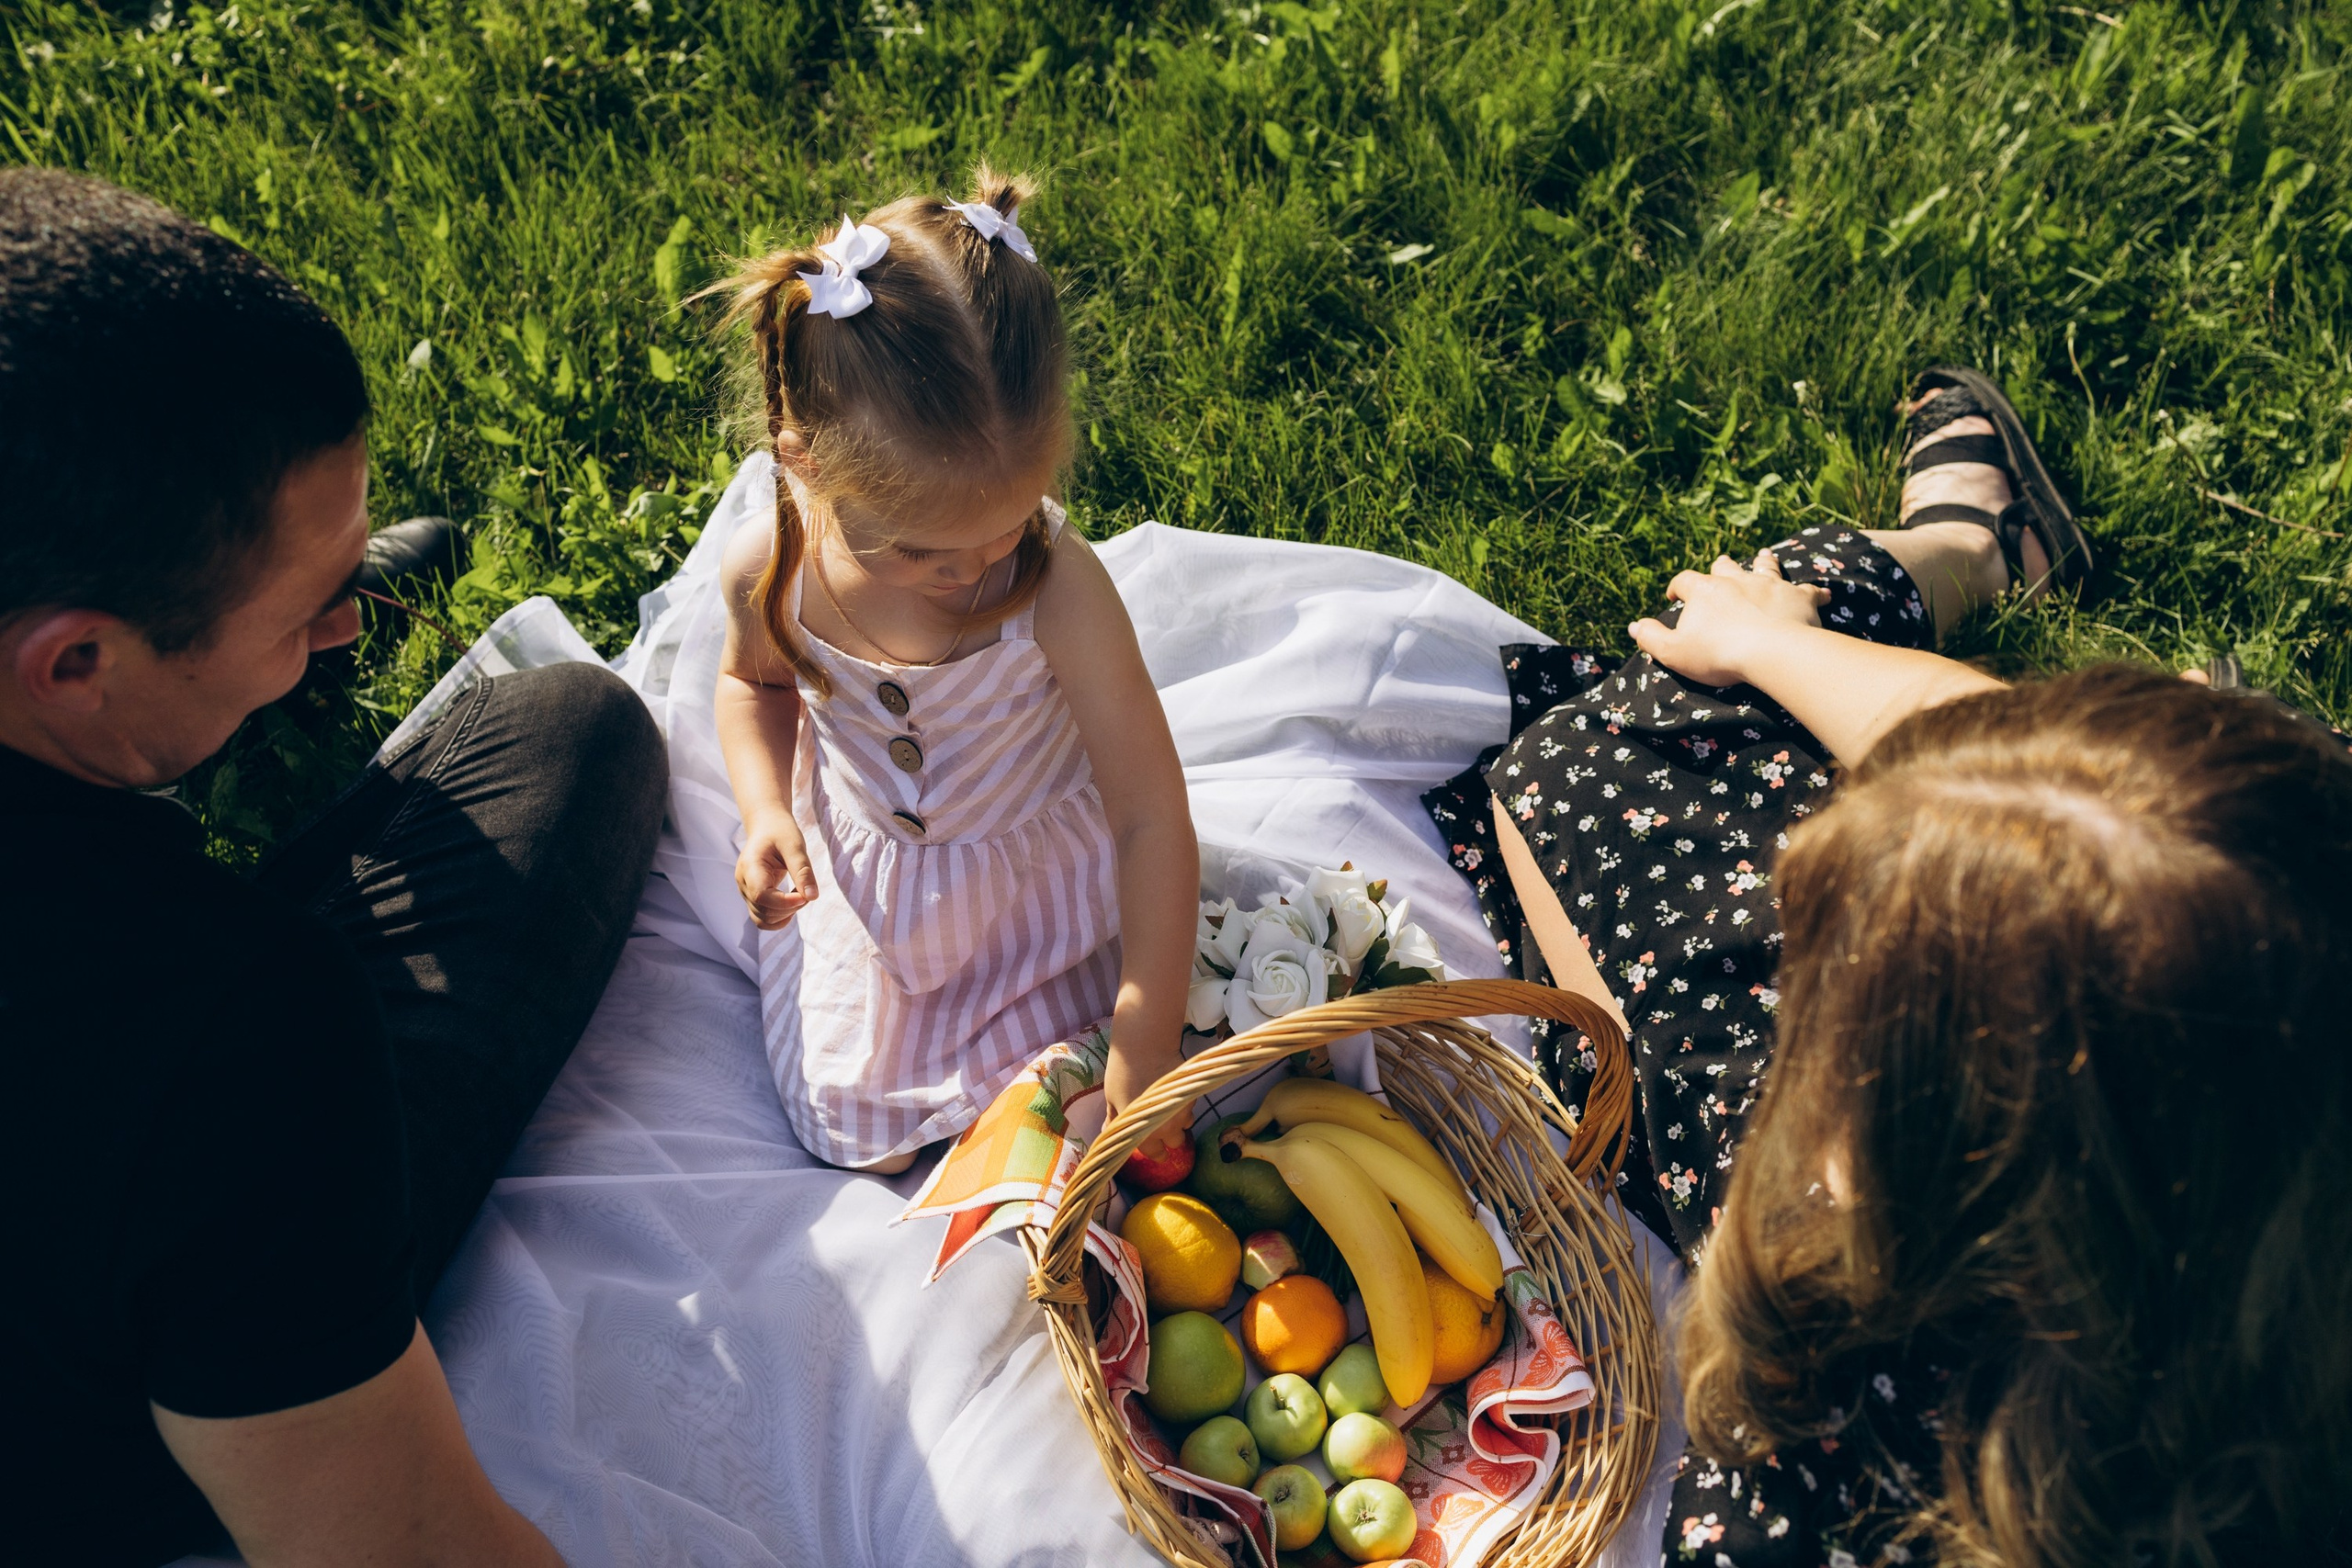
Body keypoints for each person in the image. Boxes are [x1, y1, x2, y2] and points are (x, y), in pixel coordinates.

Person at [1426, 368, 2352, 1562]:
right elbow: (1988, 766)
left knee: (1597, 761)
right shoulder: (2285, 927)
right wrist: (1772, 645)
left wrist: (1775, 651)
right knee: (1745, 662)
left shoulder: (1833, 1481)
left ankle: (1966, 548)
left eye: (1834, 976)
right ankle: (1981, 549)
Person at [0, 169, 666, 1565]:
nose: (355, 628)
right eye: (313, 608)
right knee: (568, 728)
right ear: (75, 662)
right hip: (113, 1447)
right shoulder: (226, 1020)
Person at [705, 167, 1197, 1175]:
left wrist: (1148, 1031)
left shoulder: (1056, 587)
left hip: (1037, 892)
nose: (973, 570)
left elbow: (1151, 815)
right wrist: (764, 813)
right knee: (860, 1135)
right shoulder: (776, 567)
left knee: (1070, 1099)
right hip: (879, 885)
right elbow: (752, 684)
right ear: (803, 461)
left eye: (1004, 527)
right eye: (923, 552)